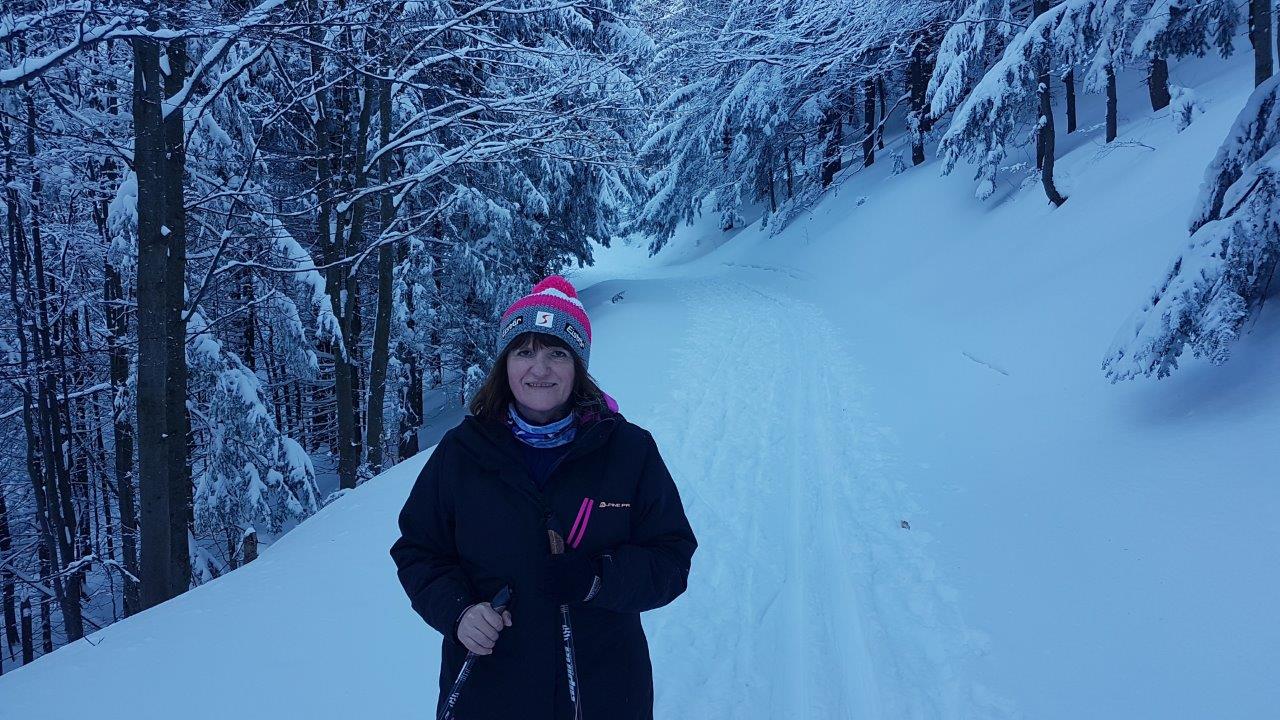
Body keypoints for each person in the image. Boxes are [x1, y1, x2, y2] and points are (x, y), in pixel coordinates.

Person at [390, 274, 698, 719]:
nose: (540, 369)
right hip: (490, 691)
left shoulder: (629, 451)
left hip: (605, 691)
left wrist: (598, 579)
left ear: (578, 366)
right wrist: (459, 613)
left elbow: (671, 558)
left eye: (557, 352)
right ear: (505, 364)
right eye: (525, 351)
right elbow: (418, 551)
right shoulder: (462, 452)